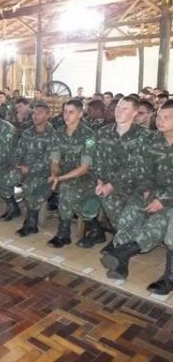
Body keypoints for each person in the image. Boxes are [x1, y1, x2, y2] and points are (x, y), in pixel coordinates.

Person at [101, 100, 173, 284]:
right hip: (151, 192)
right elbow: (142, 170)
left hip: (169, 199)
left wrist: (163, 200)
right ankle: (121, 263)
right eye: (158, 116)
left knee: (156, 222)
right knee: (129, 215)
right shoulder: (151, 141)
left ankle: (124, 253)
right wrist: (146, 190)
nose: (160, 121)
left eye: (167, 117)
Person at [90, 96, 150, 250]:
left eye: (125, 109)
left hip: (136, 186)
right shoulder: (102, 132)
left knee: (132, 208)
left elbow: (136, 167)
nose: (119, 111)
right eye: (118, 108)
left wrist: (111, 185)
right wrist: (100, 182)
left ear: (135, 113)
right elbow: (96, 160)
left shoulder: (145, 136)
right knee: (109, 200)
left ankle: (122, 241)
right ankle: (120, 238)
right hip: (108, 184)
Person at [48, 99, 99, 248]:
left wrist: (60, 178)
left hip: (86, 177)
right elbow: (55, 159)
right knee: (41, 180)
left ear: (80, 114)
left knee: (66, 189)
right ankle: (94, 228)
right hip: (64, 173)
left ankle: (63, 234)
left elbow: (84, 168)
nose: (67, 115)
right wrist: (54, 173)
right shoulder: (58, 133)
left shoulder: (88, 136)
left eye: (71, 112)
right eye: (65, 111)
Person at [12, 102, 55, 237]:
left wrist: (29, 169)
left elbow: (49, 161)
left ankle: (31, 222)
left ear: (48, 115)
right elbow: (18, 152)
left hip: (44, 172)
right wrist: (16, 164)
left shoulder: (52, 135)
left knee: (32, 184)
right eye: (34, 113)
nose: (35, 116)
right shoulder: (27, 132)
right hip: (25, 168)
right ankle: (16, 207)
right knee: (6, 176)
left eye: (40, 113)